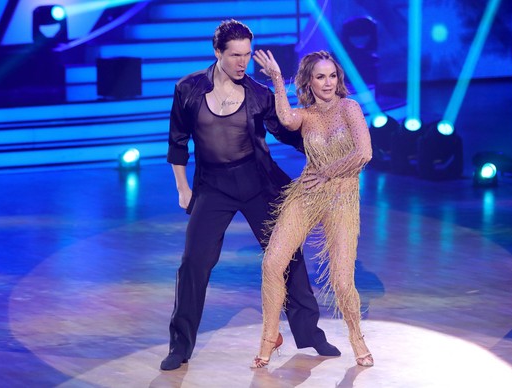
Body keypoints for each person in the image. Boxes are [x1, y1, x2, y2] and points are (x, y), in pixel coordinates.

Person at [160, 19, 340, 371]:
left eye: (247, 54)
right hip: (213, 187)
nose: (243, 63)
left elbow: (289, 133)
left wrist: (327, 144)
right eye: (235, 55)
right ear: (217, 53)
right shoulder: (188, 89)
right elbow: (177, 142)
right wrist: (182, 188)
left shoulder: (259, 95)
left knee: (287, 257)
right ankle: (180, 346)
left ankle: (310, 334)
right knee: (194, 262)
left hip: (258, 183)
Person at [250, 49, 374, 368]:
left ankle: (356, 337)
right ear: (308, 81)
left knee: (343, 281)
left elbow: (364, 153)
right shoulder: (305, 114)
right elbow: (286, 119)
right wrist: (278, 79)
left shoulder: (350, 108)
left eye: (332, 75)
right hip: (306, 193)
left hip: (341, 198)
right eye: (320, 77)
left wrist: (327, 172)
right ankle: (269, 338)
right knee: (272, 262)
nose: (328, 82)